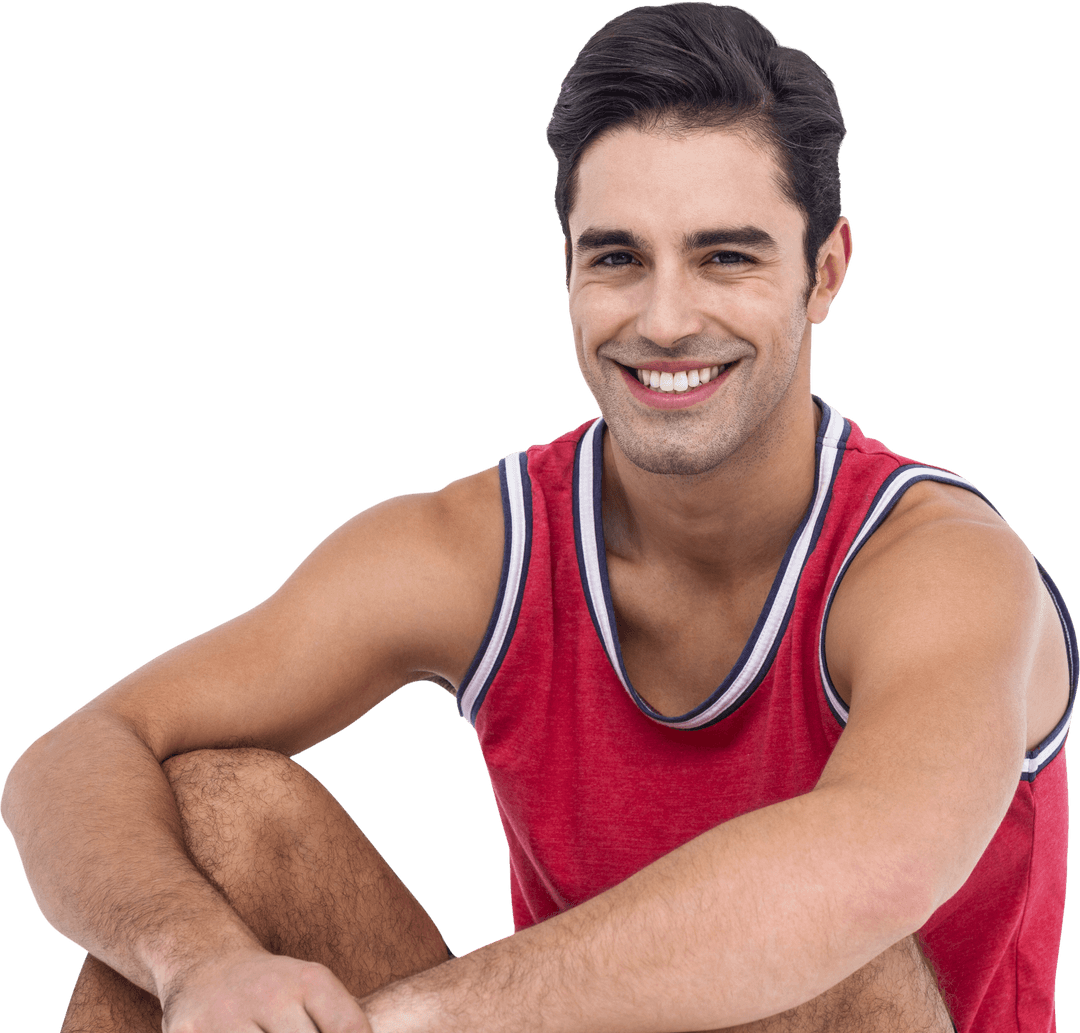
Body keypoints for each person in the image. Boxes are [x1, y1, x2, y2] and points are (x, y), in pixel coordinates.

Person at [2, 3, 1072, 1031]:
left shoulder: (940, 564)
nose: (663, 318)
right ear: (565, 268)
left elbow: (870, 871)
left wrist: (400, 1020)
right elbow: (72, 758)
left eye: (726, 256)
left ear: (824, 272)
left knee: (829, 949)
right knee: (217, 810)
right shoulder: (478, 546)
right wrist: (203, 967)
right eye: (617, 257)